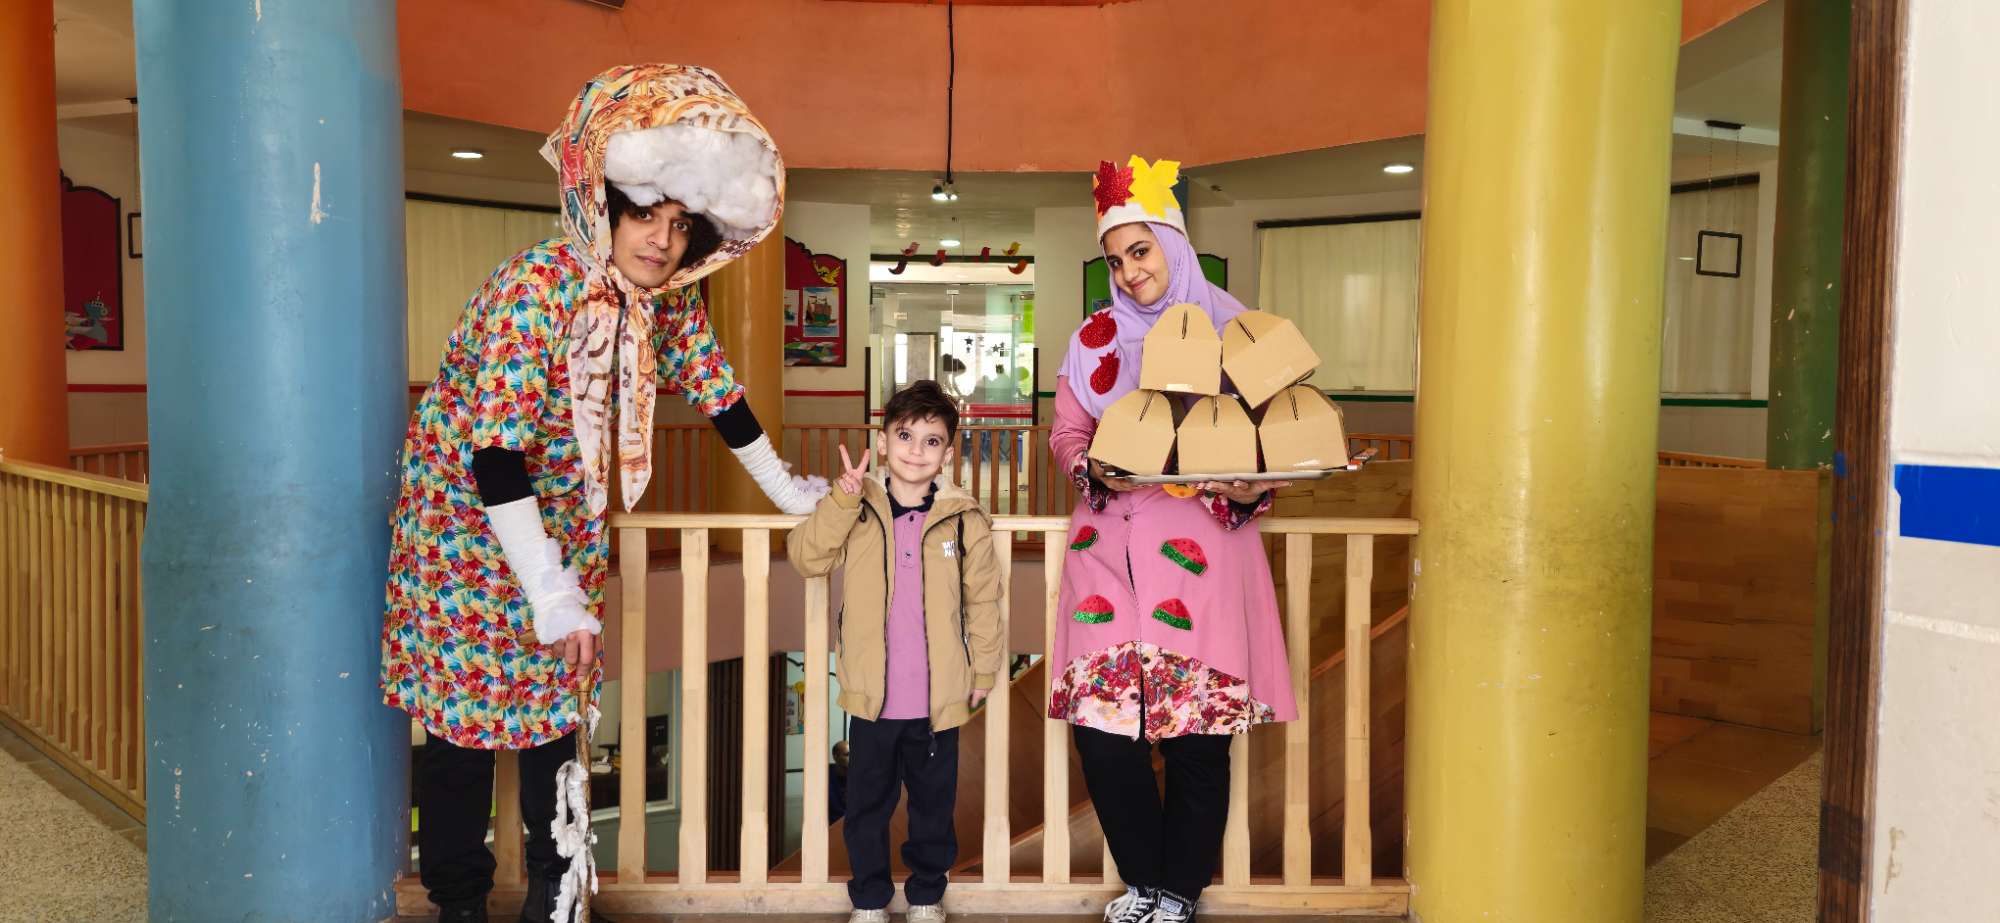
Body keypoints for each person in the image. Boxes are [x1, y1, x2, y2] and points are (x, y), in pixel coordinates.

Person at [381, 64, 826, 923]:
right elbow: (495, 455)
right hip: (464, 549)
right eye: (645, 215)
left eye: (680, 225)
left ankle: (556, 905)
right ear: (606, 206)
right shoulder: (535, 287)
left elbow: (721, 397)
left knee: (557, 734)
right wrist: (548, 591)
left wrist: (788, 492)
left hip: (562, 538)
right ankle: (458, 907)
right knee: (460, 744)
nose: (661, 241)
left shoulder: (663, 305)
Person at [1047, 157, 1298, 923]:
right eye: (1116, 258)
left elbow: (1275, 442)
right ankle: (1145, 881)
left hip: (1202, 560)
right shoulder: (1093, 340)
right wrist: (1090, 466)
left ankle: (1177, 893)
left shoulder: (1238, 331)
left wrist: (1251, 485)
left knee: (1196, 739)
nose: (1130, 272)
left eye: (1141, 250)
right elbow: (1066, 431)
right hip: (1107, 559)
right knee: (1103, 735)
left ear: (1173, 243)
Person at [789, 380, 1006, 923]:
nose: (916, 450)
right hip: (872, 700)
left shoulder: (964, 517)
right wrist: (841, 498)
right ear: (883, 442)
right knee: (866, 809)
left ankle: (926, 896)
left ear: (947, 454)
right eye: (905, 436)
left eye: (932, 441)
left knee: (933, 809)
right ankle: (869, 900)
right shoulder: (857, 505)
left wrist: (984, 671)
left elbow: (983, 601)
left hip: (937, 701)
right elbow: (807, 558)